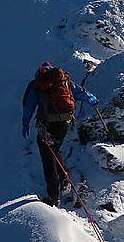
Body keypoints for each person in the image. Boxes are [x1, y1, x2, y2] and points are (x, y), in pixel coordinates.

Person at [22, 62, 99, 206]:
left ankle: (53, 196)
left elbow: (28, 106)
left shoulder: (37, 84)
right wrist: (93, 101)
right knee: (55, 148)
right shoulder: (63, 81)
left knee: (47, 157)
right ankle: (64, 178)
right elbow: (80, 92)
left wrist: (25, 124)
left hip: (46, 124)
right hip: (64, 123)